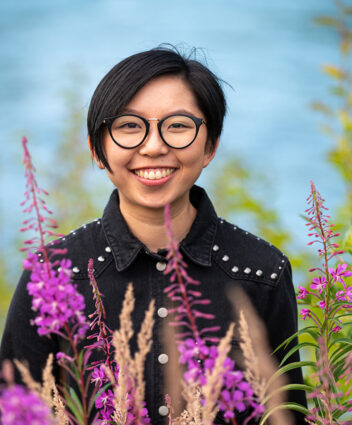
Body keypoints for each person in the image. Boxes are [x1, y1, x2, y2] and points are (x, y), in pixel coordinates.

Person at [0, 46, 306, 424]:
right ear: (98, 149)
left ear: (210, 145)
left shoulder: (261, 273)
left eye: (178, 125)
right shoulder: (52, 274)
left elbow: (287, 415)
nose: (154, 146)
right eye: (129, 126)